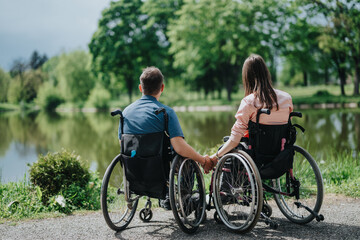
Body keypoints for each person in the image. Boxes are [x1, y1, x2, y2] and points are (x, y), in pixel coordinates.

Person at [118, 66, 215, 209]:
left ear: (140, 88)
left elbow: (122, 142)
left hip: (133, 166)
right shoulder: (165, 112)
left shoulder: (125, 112)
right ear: (162, 87)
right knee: (186, 158)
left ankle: (169, 198)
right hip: (159, 167)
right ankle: (185, 198)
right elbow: (179, 146)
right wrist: (202, 160)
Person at [210, 54, 293, 162]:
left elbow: (234, 140)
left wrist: (214, 157)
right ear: (266, 73)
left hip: (257, 157)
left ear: (247, 77)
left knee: (227, 149)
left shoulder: (249, 102)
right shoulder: (287, 98)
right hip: (280, 157)